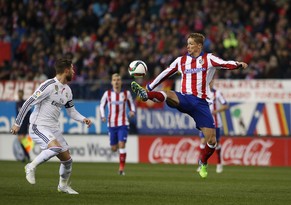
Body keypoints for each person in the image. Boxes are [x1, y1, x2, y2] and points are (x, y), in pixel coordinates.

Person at [131, 32, 247, 178]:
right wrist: (149, 86)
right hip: (185, 98)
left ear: (199, 46)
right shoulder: (181, 61)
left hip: (201, 104)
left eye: (191, 43)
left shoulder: (208, 59)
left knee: (212, 141)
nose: (188, 46)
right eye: (187, 43)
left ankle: (203, 162)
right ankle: (146, 95)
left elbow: (224, 64)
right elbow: (165, 73)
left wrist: (238, 64)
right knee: (170, 94)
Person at [10, 58, 92, 194]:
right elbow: (28, 102)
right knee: (55, 147)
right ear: (66, 70)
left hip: (53, 128)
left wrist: (83, 119)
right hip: (38, 126)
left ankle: (63, 186)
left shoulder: (67, 90)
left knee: (67, 160)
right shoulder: (47, 85)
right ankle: (31, 166)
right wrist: (17, 123)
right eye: (72, 69)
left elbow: (71, 111)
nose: (73, 72)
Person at [100, 73, 136, 176]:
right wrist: (102, 116)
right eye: (114, 80)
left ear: (121, 82)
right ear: (111, 82)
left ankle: (121, 169)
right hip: (111, 124)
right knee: (114, 148)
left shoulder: (126, 93)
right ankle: (120, 160)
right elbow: (102, 105)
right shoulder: (107, 94)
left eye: (118, 80)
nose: (116, 82)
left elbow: (131, 104)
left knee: (122, 145)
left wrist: (132, 111)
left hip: (123, 123)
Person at [197, 80, 229, 174]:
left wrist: (216, 111)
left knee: (217, 143)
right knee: (203, 141)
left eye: (210, 82)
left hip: (216, 122)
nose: (209, 83)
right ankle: (201, 163)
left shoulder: (217, 93)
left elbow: (225, 106)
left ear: (212, 82)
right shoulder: (201, 93)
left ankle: (219, 163)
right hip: (204, 122)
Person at [16, 89, 32, 162]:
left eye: (21, 93)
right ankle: (26, 155)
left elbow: (28, 113)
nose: (19, 95)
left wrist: (29, 123)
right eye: (19, 93)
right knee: (20, 140)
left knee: (22, 139)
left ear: (22, 94)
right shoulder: (17, 103)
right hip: (19, 124)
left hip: (24, 123)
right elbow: (17, 114)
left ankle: (26, 156)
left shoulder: (24, 102)